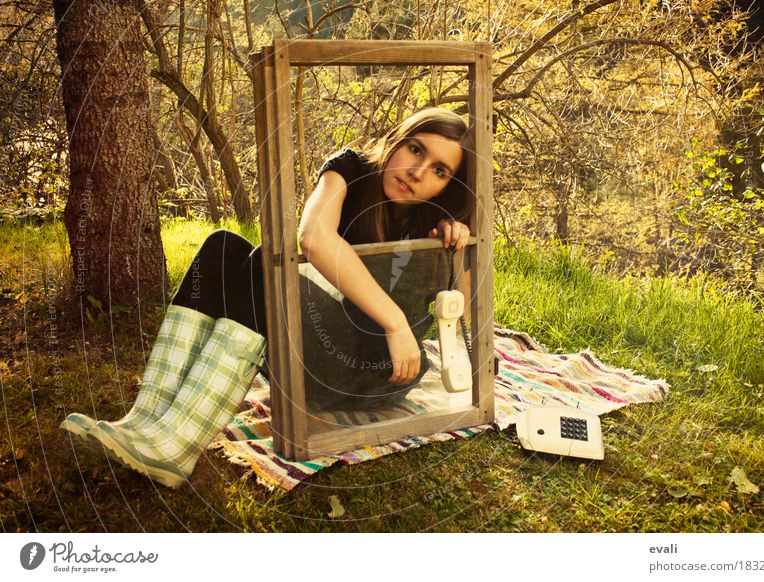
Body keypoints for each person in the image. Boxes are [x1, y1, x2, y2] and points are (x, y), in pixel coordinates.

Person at [60, 107, 475, 487]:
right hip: (323, 347)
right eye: (414, 149)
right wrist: (395, 320)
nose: (418, 172)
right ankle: (147, 420)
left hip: (378, 371)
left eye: (439, 171)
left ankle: (178, 445)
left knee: (264, 263)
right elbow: (312, 236)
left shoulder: (436, 220)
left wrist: (455, 249)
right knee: (223, 245)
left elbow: (463, 310)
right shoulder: (350, 169)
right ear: (397, 140)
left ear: (447, 185)